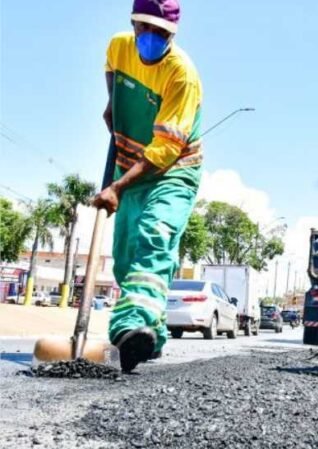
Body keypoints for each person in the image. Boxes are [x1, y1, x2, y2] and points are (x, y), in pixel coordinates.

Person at [93, 0, 203, 373]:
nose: (153, 37)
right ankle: (149, 337)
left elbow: (165, 149)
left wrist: (116, 187)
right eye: (146, 28)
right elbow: (112, 69)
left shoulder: (181, 75)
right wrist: (112, 103)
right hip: (130, 167)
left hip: (173, 170)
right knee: (126, 262)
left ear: (173, 34)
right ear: (134, 23)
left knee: (154, 235)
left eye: (163, 33)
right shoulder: (118, 46)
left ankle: (129, 327)